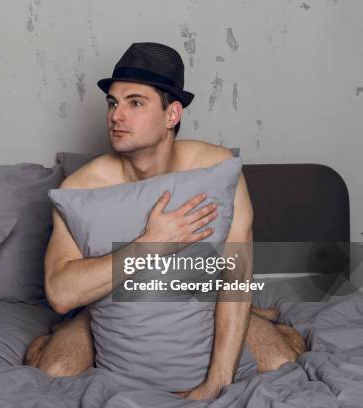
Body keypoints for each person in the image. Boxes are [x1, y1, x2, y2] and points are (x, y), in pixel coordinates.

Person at [24, 43, 305, 400]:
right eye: (113, 102)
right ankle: (54, 336)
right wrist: (151, 245)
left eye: (135, 103)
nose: (116, 116)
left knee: (282, 360)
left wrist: (216, 383)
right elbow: (61, 294)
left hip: (199, 300)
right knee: (53, 370)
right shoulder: (81, 189)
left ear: (171, 115)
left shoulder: (217, 172)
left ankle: (265, 319)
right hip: (110, 308)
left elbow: (236, 277)